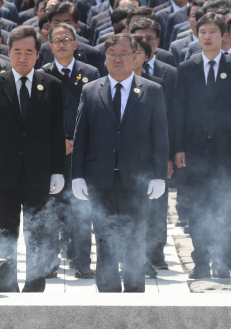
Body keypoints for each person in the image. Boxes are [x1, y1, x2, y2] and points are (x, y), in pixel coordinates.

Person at [72, 33, 168, 292]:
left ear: (135, 57)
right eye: (112, 53)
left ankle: (135, 290)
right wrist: (77, 175)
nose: (117, 58)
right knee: (103, 236)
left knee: (136, 236)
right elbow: (81, 135)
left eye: (123, 53)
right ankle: (108, 290)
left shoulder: (152, 90)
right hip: (99, 176)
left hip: (137, 177)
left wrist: (160, 175)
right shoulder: (91, 90)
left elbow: (160, 136)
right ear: (105, 58)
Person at [0, 26, 66, 292]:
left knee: (37, 232)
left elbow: (56, 131)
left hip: (39, 172)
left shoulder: (52, 85)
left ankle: (35, 283)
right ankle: (8, 283)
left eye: (29, 52)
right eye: (17, 51)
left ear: (38, 54)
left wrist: (58, 171)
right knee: (6, 231)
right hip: (5, 172)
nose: (22, 58)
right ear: (8, 52)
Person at [173, 13, 231, 279]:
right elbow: (178, 109)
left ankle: (223, 259)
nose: (207, 36)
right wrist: (178, 147)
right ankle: (201, 260)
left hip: (226, 151)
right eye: (202, 31)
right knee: (197, 207)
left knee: (226, 207)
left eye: (213, 32)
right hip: (194, 151)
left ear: (223, 36)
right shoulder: (187, 67)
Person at [39, 23, 99, 279]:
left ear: (76, 44)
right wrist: (57, 140)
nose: (61, 44)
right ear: (50, 46)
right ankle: (48, 262)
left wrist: (76, 140)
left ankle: (82, 263)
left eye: (66, 40)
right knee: (49, 211)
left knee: (81, 210)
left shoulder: (91, 72)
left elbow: (96, 111)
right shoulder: (42, 73)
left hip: (81, 153)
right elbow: (39, 115)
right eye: (56, 40)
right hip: (51, 154)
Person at [131, 34, 174, 274]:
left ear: (146, 57)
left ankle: (148, 257)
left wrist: (165, 158)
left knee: (148, 211)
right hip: (118, 159)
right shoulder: (104, 83)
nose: (132, 56)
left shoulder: (156, 85)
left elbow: (163, 126)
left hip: (147, 158)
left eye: (137, 51)